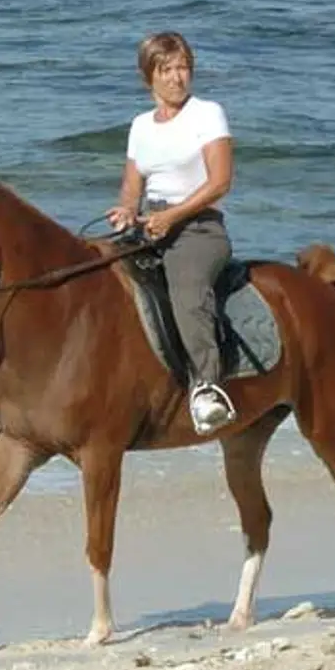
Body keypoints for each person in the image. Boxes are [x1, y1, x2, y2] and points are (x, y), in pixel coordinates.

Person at [107, 33, 238, 435]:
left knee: (186, 289)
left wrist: (174, 216)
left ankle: (207, 388)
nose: (178, 78)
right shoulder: (140, 126)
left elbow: (220, 182)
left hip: (199, 229)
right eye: (167, 70)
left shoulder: (207, 114)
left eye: (183, 68)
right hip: (151, 226)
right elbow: (133, 185)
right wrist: (128, 209)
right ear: (149, 76)